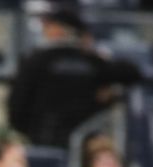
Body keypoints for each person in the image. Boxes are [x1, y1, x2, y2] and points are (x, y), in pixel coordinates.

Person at [8, 9, 141, 148]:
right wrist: (110, 96)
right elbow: (132, 73)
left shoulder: (35, 60)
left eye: (49, 26)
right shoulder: (91, 61)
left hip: (44, 139)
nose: (45, 30)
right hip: (85, 142)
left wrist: (26, 130)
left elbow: (17, 105)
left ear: (62, 30)